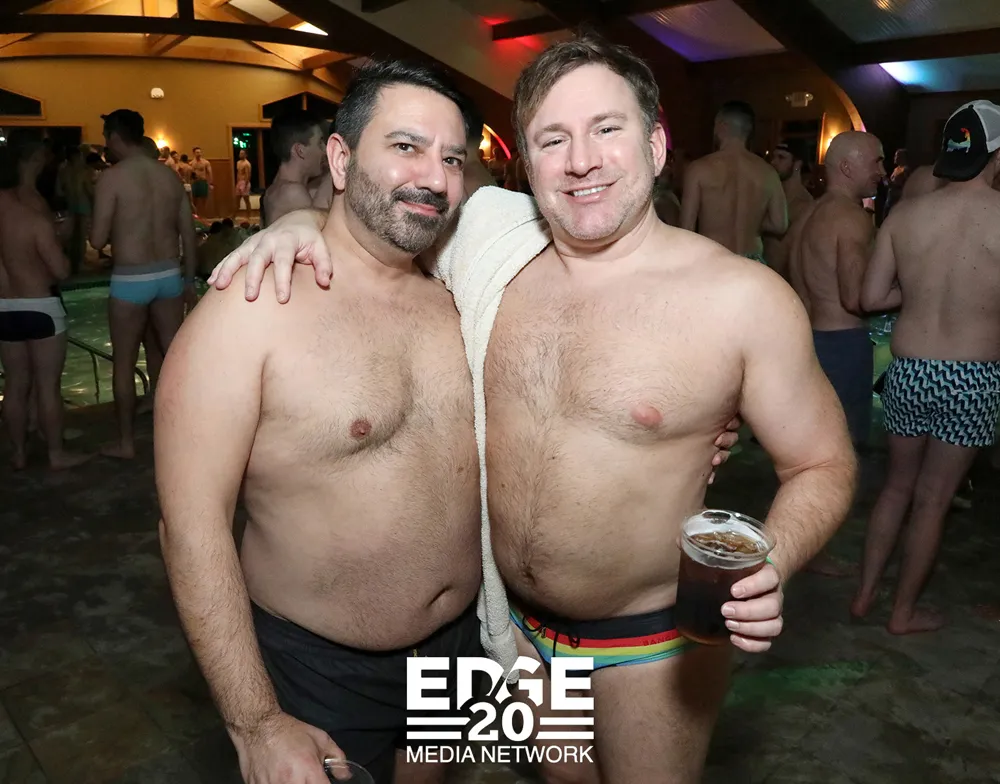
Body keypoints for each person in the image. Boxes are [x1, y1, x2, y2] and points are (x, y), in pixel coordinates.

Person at [211, 36, 857, 784]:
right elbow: (371, 225)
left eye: (607, 129)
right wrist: (295, 227)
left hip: (648, 643)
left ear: (655, 145)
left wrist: (771, 561)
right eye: (553, 139)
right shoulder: (484, 242)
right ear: (526, 162)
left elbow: (822, 461)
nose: (581, 161)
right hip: (507, 633)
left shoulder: (743, 301)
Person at [851, 101, 1000, 635]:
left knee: (896, 488)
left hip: (910, 371)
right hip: (972, 378)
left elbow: (871, 298)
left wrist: (919, 291)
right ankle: (903, 612)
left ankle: (864, 595)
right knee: (934, 501)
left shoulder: (905, 216)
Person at [90, 109, 198, 459]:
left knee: (123, 363)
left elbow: (97, 239)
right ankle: (187, 435)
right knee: (174, 358)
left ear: (114, 136)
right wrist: (189, 281)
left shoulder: (112, 178)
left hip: (131, 277)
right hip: (168, 275)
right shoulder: (168, 177)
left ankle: (125, 443)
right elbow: (188, 234)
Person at [789, 131, 885, 450]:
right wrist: (912, 292)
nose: (883, 172)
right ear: (846, 167)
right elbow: (855, 298)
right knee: (843, 450)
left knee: (807, 445)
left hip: (805, 341)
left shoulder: (806, 214)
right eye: (876, 162)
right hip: (842, 345)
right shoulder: (851, 217)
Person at [0, 142, 91, 470]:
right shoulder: (35, 221)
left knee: (15, 383)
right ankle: (56, 454)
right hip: (40, 305)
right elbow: (61, 271)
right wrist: (59, 239)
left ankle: (18, 453)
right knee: (48, 386)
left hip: (4, 307)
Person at [681, 101, 788, 261]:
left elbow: (686, 230)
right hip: (752, 262)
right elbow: (780, 224)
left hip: (714, 259)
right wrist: (750, 221)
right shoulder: (768, 172)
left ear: (721, 126)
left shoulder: (698, 169)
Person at [260, 110, 328, 227]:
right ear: (300, 150)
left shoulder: (275, 189)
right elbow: (328, 231)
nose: (325, 150)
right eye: (320, 142)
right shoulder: (292, 192)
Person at [764, 140, 814, 279]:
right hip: (763, 273)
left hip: (784, 280)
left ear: (797, 164)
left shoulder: (804, 205)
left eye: (781, 157)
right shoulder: (770, 197)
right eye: (773, 157)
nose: (773, 162)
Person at [190, 146, 213, 216]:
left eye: (200, 152)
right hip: (195, 182)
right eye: (197, 152)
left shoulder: (205, 162)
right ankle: (195, 217)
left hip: (203, 182)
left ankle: (204, 216)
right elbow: (190, 174)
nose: (199, 154)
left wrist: (211, 183)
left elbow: (210, 173)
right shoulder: (191, 163)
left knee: (204, 200)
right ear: (194, 153)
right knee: (194, 201)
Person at [235, 148, 253, 221]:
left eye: (242, 153)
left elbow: (248, 174)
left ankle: (248, 216)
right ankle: (234, 216)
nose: (240, 155)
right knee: (237, 200)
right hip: (239, 182)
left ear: (245, 155)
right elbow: (238, 173)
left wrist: (245, 184)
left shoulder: (247, 164)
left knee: (246, 200)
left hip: (244, 182)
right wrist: (237, 183)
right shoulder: (238, 162)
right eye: (240, 153)